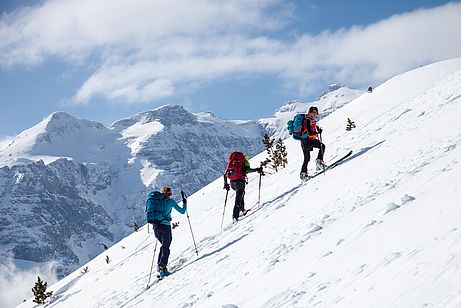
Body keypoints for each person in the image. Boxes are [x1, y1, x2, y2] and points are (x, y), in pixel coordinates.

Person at [145, 186, 187, 277]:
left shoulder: (157, 201)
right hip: (165, 227)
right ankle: (162, 268)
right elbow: (183, 211)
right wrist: (185, 203)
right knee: (166, 247)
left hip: (156, 226)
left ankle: (159, 265)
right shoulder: (170, 202)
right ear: (168, 194)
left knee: (164, 246)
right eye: (170, 193)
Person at [223, 152, 263, 222]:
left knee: (241, 195)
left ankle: (242, 210)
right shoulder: (244, 162)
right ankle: (235, 216)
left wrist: (226, 184)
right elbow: (247, 170)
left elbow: (225, 174)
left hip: (232, 183)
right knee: (238, 198)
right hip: (240, 183)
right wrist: (257, 169)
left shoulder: (231, 163)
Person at [300, 106, 326, 180]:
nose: (314, 114)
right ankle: (318, 163)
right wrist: (316, 132)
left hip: (308, 140)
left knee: (321, 147)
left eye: (316, 112)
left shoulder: (312, 120)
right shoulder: (307, 120)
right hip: (306, 141)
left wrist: (318, 130)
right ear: (310, 113)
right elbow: (309, 131)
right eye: (313, 112)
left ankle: (303, 174)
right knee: (307, 157)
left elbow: (313, 129)